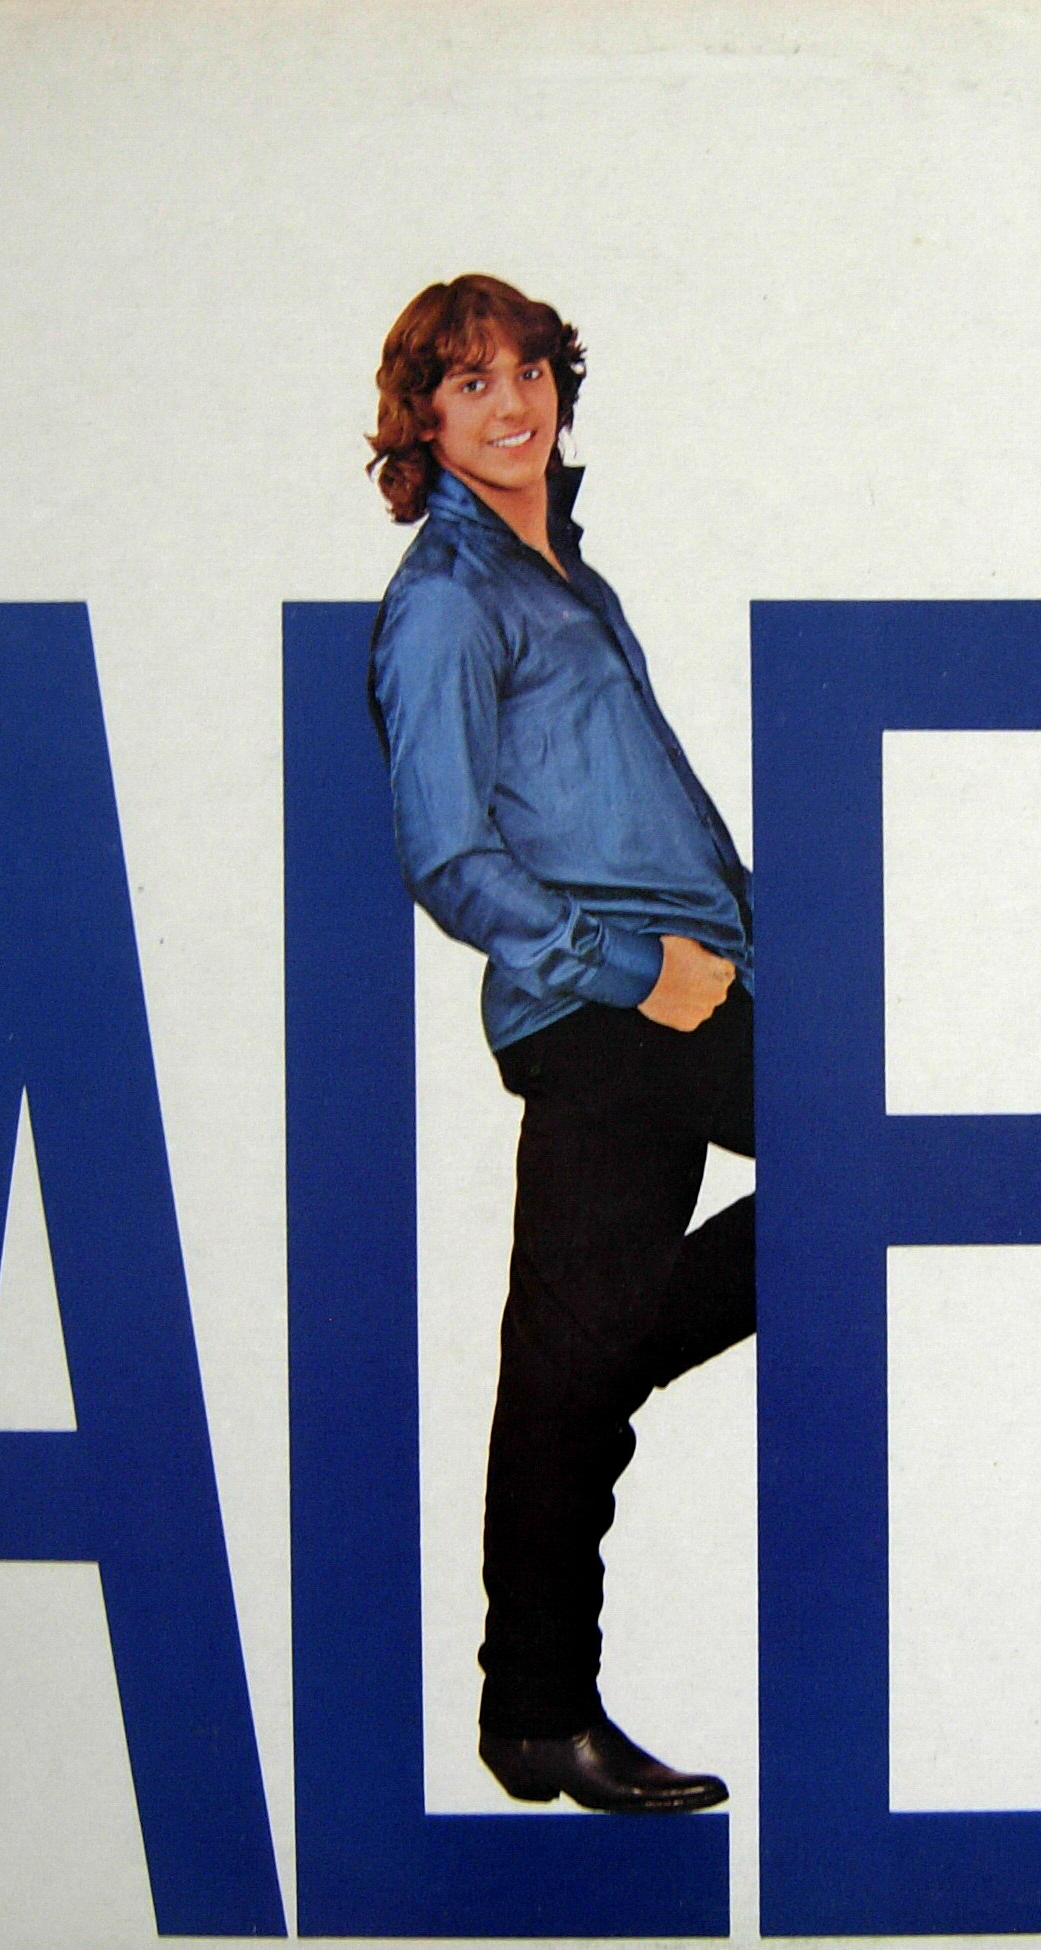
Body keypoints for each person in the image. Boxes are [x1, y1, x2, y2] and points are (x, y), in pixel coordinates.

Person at [365, 275, 754, 1813]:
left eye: (526, 371)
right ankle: (536, 1713)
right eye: (469, 382)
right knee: (574, 1363)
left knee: (576, 1360)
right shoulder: (446, 602)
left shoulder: (564, 574)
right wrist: (636, 971)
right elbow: (449, 858)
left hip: (688, 983)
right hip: (606, 1013)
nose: (510, 402)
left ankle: (534, 1699)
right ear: (422, 417)